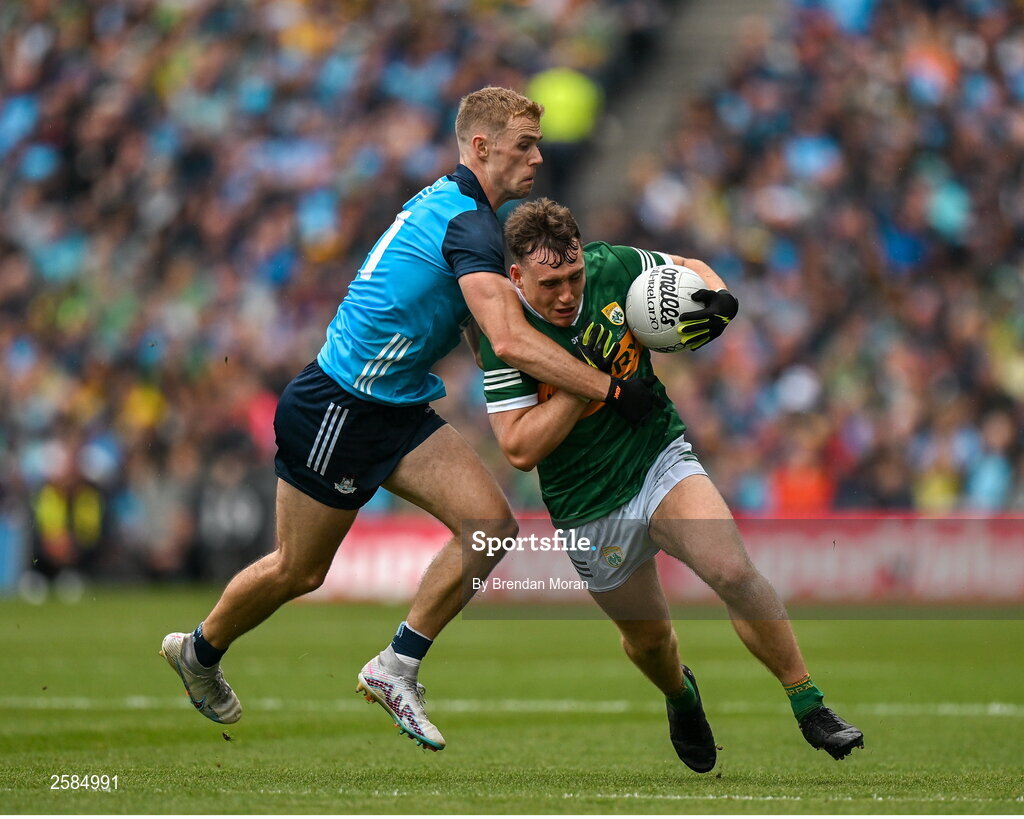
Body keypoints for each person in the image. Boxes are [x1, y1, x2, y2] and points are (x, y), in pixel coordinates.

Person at [159, 88, 662, 752]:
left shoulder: (468, 216)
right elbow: (507, 341)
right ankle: (199, 650)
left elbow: (485, 337)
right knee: (299, 571)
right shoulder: (470, 226)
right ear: (480, 147)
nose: (538, 157)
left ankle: (396, 665)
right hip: (338, 408)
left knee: (488, 525)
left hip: (393, 405)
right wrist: (611, 389)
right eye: (524, 146)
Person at [477, 198, 863, 771]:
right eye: (550, 282)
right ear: (516, 276)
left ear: (586, 258)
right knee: (651, 642)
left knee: (732, 570)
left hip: (657, 454)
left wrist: (718, 293)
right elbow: (518, 448)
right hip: (586, 505)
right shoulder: (503, 337)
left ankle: (810, 704)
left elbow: (686, 264)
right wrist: (591, 385)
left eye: (574, 276)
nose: (566, 293)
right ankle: (682, 697)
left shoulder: (613, 268)